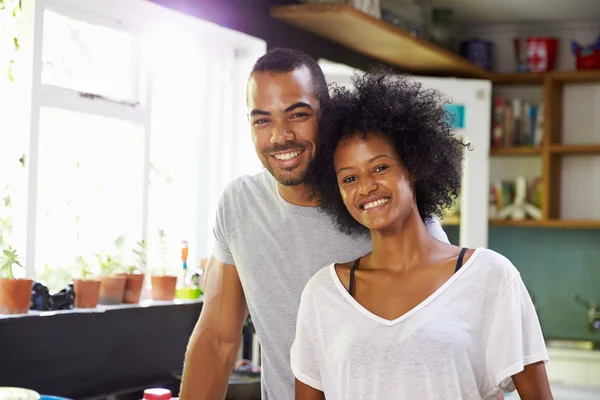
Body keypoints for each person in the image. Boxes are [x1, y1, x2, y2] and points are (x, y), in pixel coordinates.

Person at [178, 48, 450, 399]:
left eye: (298, 115)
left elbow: (445, 344)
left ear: (327, 116)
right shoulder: (239, 204)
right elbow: (217, 336)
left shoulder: (376, 204)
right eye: (262, 120)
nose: (280, 136)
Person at [291, 71, 553, 400]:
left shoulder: (491, 277)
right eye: (349, 178)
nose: (366, 186)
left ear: (413, 166)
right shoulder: (323, 294)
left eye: (380, 167)